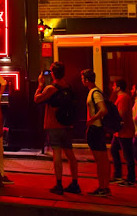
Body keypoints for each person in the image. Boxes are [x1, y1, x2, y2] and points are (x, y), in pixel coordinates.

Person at [34, 62, 80, 195]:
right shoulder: (68, 87)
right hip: (66, 125)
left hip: (53, 125)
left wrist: (40, 85)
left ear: (53, 73)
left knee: (57, 155)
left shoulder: (51, 88)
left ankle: (59, 184)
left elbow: (37, 99)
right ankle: (75, 183)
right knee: (71, 155)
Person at [81, 69, 110, 196]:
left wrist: (91, 120)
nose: (81, 81)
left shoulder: (94, 93)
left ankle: (103, 187)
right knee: (102, 160)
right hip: (97, 129)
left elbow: (103, 110)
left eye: (82, 79)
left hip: (96, 129)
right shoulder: (95, 91)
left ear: (86, 80)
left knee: (101, 160)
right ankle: (105, 187)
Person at [110, 79, 136, 186]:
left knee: (127, 155)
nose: (112, 87)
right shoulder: (121, 98)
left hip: (125, 131)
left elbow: (121, 113)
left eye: (114, 85)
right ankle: (118, 174)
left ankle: (130, 178)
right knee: (114, 150)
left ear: (118, 87)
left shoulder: (124, 98)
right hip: (120, 132)